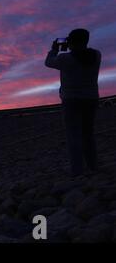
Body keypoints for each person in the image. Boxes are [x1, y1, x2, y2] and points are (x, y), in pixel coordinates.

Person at [45, 29, 101, 177]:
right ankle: (93, 166)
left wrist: (54, 50)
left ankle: (77, 170)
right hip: (91, 98)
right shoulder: (96, 55)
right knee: (88, 134)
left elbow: (48, 62)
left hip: (71, 100)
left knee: (73, 135)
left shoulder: (65, 59)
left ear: (72, 41)